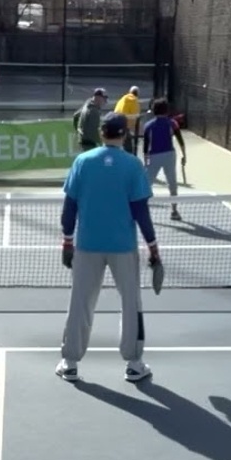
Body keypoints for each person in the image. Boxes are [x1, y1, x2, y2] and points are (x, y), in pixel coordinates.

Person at [57, 112, 159, 384]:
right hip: (123, 248)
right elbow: (141, 211)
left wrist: (67, 242)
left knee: (80, 302)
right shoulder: (133, 165)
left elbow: (69, 208)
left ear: (102, 133)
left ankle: (69, 363)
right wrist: (153, 247)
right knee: (131, 303)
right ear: (124, 135)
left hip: (87, 246)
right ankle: (134, 364)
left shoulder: (82, 161)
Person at [141, 98, 187, 222]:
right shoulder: (173, 123)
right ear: (166, 110)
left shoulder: (148, 126)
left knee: (146, 184)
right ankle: (174, 211)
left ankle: (141, 210)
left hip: (153, 157)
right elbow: (180, 141)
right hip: (169, 156)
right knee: (172, 184)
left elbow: (145, 147)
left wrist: (146, 162)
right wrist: (184, 155)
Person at [113, 85, 142, 154]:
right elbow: (136, 116)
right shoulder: (134, 100)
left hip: (115, 123)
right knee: (128, 147)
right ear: (137, 94)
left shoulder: (122, 99)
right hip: (124, 125)